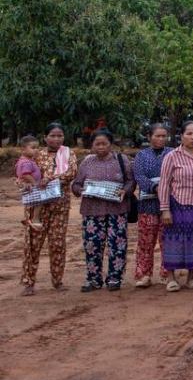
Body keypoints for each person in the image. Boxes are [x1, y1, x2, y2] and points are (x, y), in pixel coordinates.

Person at [70, 129, 134, 293]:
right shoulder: (87, 162)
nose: (101, 147)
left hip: (117, 210)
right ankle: (93, 279)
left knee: (117, 245)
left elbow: (131, 181)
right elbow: (76, 184)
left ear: (110, 144)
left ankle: (115, 278)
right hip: (92, 211)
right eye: (97, 144)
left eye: (104, 143)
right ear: (92, 145)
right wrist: (80, 189)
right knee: (92, 245)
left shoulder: (121, 160)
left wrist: (125, 191)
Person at [20, 123, 78, 295]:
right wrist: (25, 182)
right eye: (52, 135)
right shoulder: (36, 153)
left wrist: (49, 179)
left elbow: (71, 173)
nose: (56, 139)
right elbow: (22, 171)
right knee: (33, 244)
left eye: (60, 135)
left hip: (60, 205)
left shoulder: (69, 153)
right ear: (45, 138)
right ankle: (29, 282)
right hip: (37, 206)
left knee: (57, 243)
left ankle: (57, 281)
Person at [159, 121, 193, 291]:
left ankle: (191, 278)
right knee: (173, 241)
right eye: (189, 134)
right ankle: (171, 278)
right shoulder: (172, 156)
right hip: (177, 205)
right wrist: (165, 209)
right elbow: (164, 184)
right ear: (181, 136)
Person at [132, 124, 172, 288]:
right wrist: (155, 187)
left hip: (169, 206)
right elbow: (139, 176)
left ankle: (167, 274)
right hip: (147, 205)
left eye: (164, 136)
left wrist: (167, 188)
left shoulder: (172, 153)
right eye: (157, 136)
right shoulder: (141, 155)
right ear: (149, 137)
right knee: (145, 241)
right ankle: (144, 274)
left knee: (167, 241)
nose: (161, 139)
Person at [15, 136, 44, 231]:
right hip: (31, 185)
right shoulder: (26, 162)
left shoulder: (27, 160)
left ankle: (27, 218)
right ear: (23, 149)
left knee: (30, 202)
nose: (36, 150)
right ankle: (35, 219)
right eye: (33, 148)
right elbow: (26, 174)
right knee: (39, 201)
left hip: (28, 185)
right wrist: (35, 183)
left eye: (37, 148)